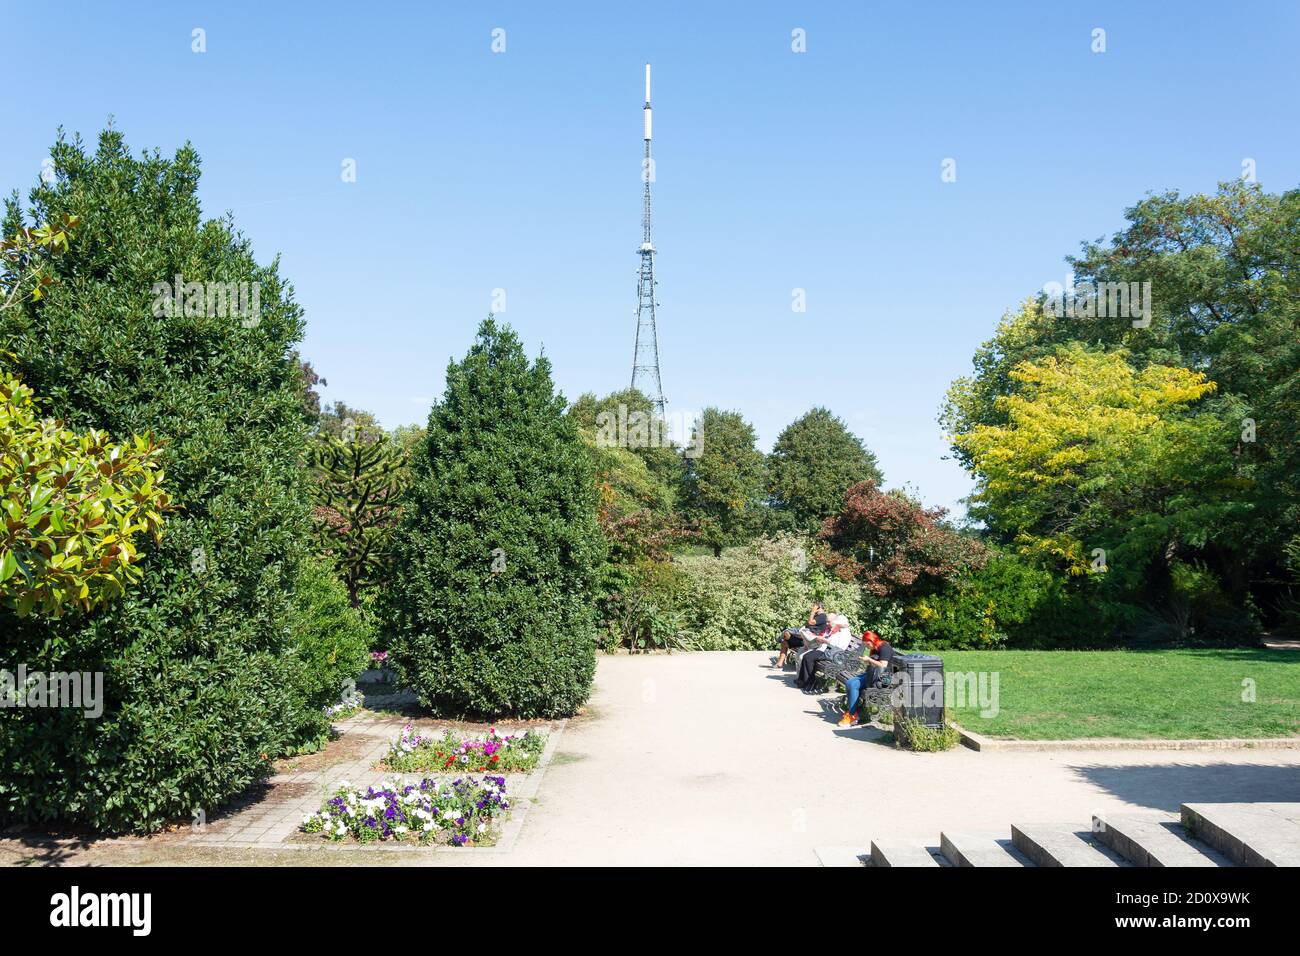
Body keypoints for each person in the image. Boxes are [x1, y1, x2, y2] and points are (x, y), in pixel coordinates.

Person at [837, 631, 895, 726]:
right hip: (872, 675)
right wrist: (868, 662)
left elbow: (883, 665)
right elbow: (875, 664)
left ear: (872, 640)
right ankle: (853, 713)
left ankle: (852, 715)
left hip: (882, 679)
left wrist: (869, 660)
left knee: (852, 685)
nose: (867, 647)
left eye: (867, 644)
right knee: (849, 682)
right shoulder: (875, 648)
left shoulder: (884, 647)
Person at [795, 613, 854, 692]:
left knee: (808, 657)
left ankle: (809, 682)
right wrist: (823, 640)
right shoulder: (840, 631)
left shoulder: (845, 633)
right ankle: (803, 681)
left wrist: (825, 641)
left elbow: (838, 646)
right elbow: (832, 640)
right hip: (828, 650)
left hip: (834, 654)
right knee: (807, 656)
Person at [774, 602, 829, 669]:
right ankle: (780, 663)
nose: (812, 608)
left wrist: (813, 611)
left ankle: (779, 639)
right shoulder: (816, 616)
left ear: (818, 608)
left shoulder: (822, 616)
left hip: (809, 640)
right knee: (784, 641)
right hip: (804, 638)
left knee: (787, 632)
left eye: (814, 606)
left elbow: (810, 622)